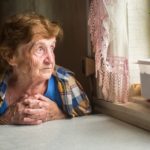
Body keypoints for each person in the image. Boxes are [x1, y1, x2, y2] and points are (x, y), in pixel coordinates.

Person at [0, 12, 91, 125]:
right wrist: (6, 118)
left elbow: (87, 120)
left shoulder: (65, 83)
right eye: (40, 49)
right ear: (10, 56)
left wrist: (58, 114)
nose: (50, 60)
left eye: (52, 47)